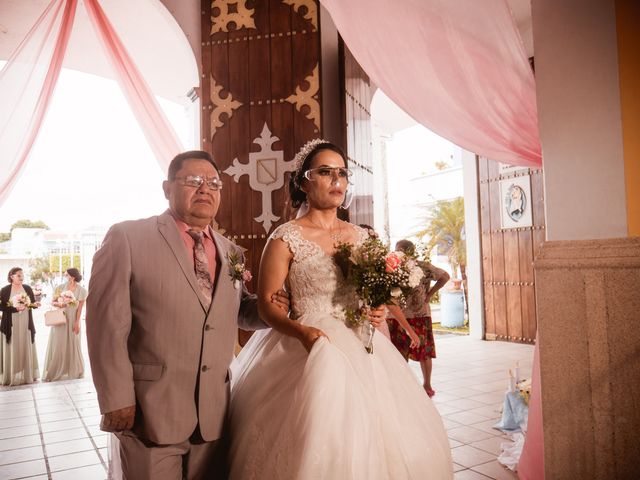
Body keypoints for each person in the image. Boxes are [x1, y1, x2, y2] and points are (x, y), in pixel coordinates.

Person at [228, 140, 453, 479]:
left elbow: (372, 291)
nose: (336, 180)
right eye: (325, 172)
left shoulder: (360, 237)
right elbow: (267, 305)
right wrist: (302, 332)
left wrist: (378, 309)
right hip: (308, 343)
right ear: (304, 182)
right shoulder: (284, 238)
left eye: (342, 173)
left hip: (364, 345)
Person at [86, 150, 288, 480]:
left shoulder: (231, 251)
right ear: (167, 188)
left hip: (212, 414)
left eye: (213, 183)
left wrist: (273, 308)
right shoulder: (128, 238)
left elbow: (239, 313)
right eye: (192, 181)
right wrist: (115, 398)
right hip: (149, 410)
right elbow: (105, 326)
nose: (204, 189)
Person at [387, 239, 450, 397]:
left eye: (397, 250)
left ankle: (417, 385)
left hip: (407, 315)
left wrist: (430, 294)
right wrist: (430, 294)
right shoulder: (419, 266)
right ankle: (424, 384)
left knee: (406, 351)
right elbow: (445, 277)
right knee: (421, 351)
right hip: (412, 314)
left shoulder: (418, 266)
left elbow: (445, 276)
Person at [42, 268, 87, 382]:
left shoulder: (82, 291)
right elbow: (53, 302)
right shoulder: (59, 288)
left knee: (73, 343)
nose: (65, 276)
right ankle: (56, 370)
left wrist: (77, 323)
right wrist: (60, 304)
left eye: (67, 275)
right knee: (59, 344)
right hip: (61, 318)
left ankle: (74, 370)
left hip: (73, 320)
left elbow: (80, 309)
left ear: (73, 276)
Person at [0, 267, 40, 386]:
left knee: (24, 345)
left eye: (22, 275)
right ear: (12, 276)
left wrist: (35, 305)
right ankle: (10, 376)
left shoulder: (27, 288)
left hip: (25, 322)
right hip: (10, 324)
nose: (21, 277)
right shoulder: (5, 290)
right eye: (19, 275)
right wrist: (15, 308)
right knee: (12, 346)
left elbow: (31, 303)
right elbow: (1, 307)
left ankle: (27, 375)